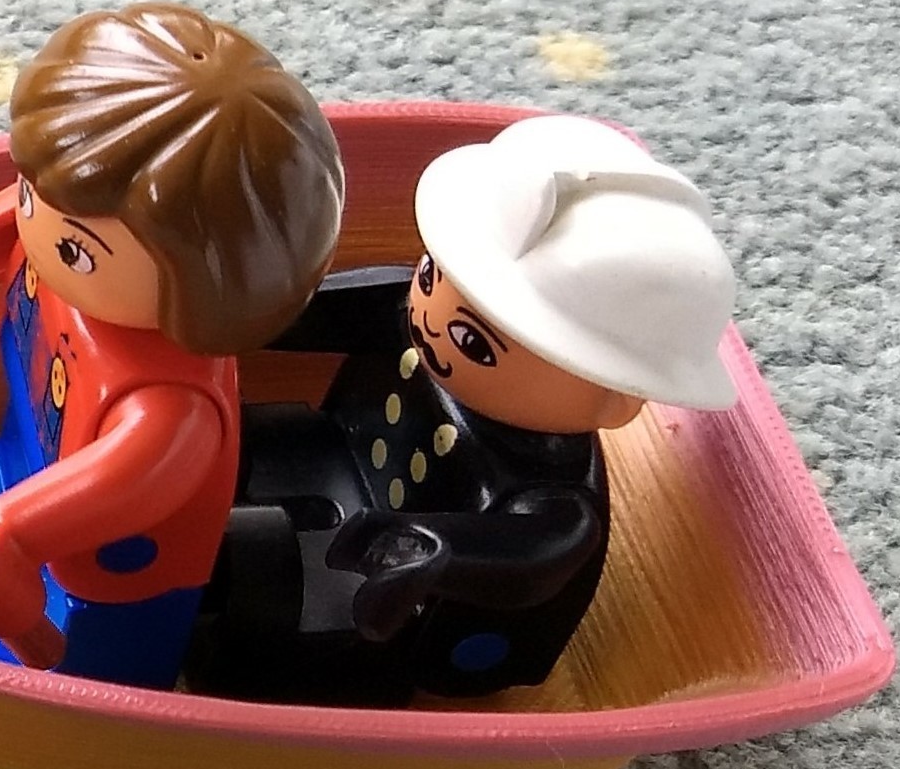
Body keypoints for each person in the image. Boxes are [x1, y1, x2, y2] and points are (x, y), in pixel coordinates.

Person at [0, 6, 345, 685]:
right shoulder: (68, 245)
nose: (38, 229)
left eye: (76, 245)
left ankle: (99, 680)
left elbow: (118, 483)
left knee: (107, 636)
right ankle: (4, 491)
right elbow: (29, 223)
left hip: (102, 579)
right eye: (32, 192)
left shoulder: (168, 405)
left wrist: (14, 533)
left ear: (204, 285)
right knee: (12, 452)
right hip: (24, 451)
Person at [187, 116, 738, 705]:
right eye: (430, 276)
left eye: (474, 341)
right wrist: (251, 318)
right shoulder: (412, 322)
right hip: (330, 448)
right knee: (233, 439)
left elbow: (537, 551)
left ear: (615, 400)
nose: (426, 318)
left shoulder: (549, 493)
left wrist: (436, 548)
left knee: (258, 583)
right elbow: (345, 309)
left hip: (403, 605)